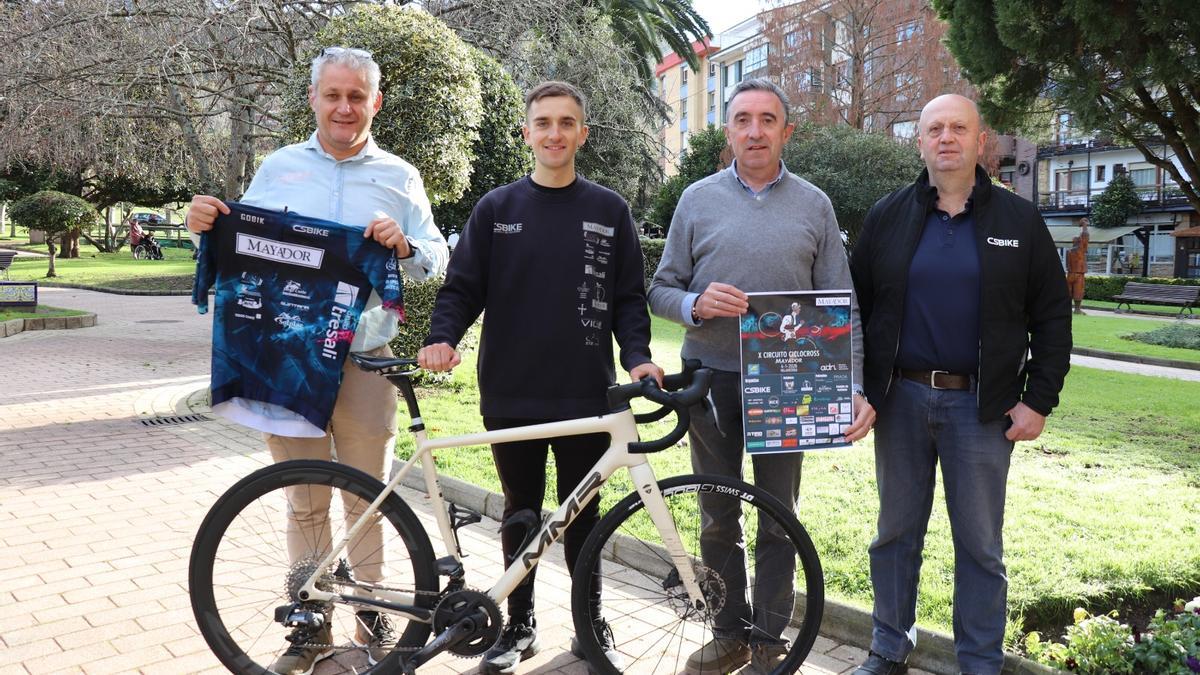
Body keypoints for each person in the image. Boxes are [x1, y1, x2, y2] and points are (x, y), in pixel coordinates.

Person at [184, 46, 448, 675]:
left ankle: (374, 615)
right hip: (290, 361)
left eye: (357, 96)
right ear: (313, 99)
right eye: (333, 95)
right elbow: (240, 243)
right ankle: (309, 625)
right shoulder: (278, 169)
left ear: (375, 103)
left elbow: (437, 257)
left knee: (368, 499)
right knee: (303, 499)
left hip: (365, 360)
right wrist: (202, 225)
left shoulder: (400, 176)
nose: (344, 107)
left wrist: (404, 246)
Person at [417, 81, 663, 674]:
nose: (555, 133)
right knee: (521, 513)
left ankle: (589, 623)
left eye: (567, 123)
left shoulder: (609, 210)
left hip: (587, 395)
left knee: (583, 520)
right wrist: (442, 336)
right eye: (544, 123)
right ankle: (519, 626)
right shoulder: (496, 210)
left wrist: (638, 357)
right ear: (527, 133)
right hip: (511, 392)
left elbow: (629, 298)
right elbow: (463, 288)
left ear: (583, 133)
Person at [647, 78, 875, 675]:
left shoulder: (814, 205)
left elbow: (839, 304)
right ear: (728, 131)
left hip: (789, 381)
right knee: (718, 515)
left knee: (779, 515)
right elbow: (661, 289)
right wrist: (696, 304)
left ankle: (770, 641)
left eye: (767, 120)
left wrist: (853, 384)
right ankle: (728, 634)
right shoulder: (696, 199)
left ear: (785, 131)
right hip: (709, 379)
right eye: (743, 119)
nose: (754, 130)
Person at [848, 94, 1071, 675]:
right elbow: (858, 310)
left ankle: (978, 661)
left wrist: (1038, 399)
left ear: (981, 142)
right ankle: (888, 648)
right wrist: (859, 387)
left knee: (979, 547)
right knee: (894, 534)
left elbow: (1052, 316)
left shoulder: (1018, 221)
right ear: (919, 141)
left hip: (983, 407)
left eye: (958, 128)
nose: (946, 138)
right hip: (900, 400)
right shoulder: (887, 216)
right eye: (934, 129)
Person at [1065, 217, 1090, 314]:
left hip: (1070, 274)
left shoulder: (1069, 251)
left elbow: (1067, 264)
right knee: (1078, 291)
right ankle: (1077, 309)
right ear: (1079, 242)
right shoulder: (1080, 250)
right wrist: (1084, 225)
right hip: (1078, 273)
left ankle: (1067, 308)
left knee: (1069, 291)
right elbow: (1085, 236)